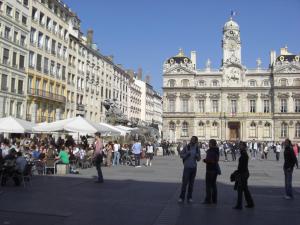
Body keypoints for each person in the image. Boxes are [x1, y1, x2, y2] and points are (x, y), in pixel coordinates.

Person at [178, 136, 200, 203]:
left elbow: (199, 159)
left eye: (193, 140)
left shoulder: (197, 148)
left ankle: (189, 197)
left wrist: (197, 156)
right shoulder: (187, 147)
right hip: (187, 167)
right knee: (184, 183)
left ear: (196, 141)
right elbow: (181, 155)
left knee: (191, 184)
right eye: (191, 139)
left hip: (194, 168)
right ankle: (181, 197)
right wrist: (186, 154)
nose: (192, 141)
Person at [233, 141, 254, 210]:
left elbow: (242, 166)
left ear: (244, 147)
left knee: (240, 189)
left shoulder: (244, 154)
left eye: (240, 145)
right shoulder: (243, 153)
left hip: (243, 174)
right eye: (239, 145)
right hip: (244, 173)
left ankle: (239, 205)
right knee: (245, 189)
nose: (239, 146)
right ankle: (250, 203)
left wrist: (237, 172)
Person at [202, 139, 220, 204]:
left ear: (212, 144)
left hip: (210, 169)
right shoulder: (216, 150)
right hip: (215, 169)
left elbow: (211, 160)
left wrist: (205, 160)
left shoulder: (211, 151)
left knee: (208, 185)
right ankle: (214, 199)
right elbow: (216, 160)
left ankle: (208, 199)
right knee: (213, 185)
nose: (208, 144)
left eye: (209, 143)